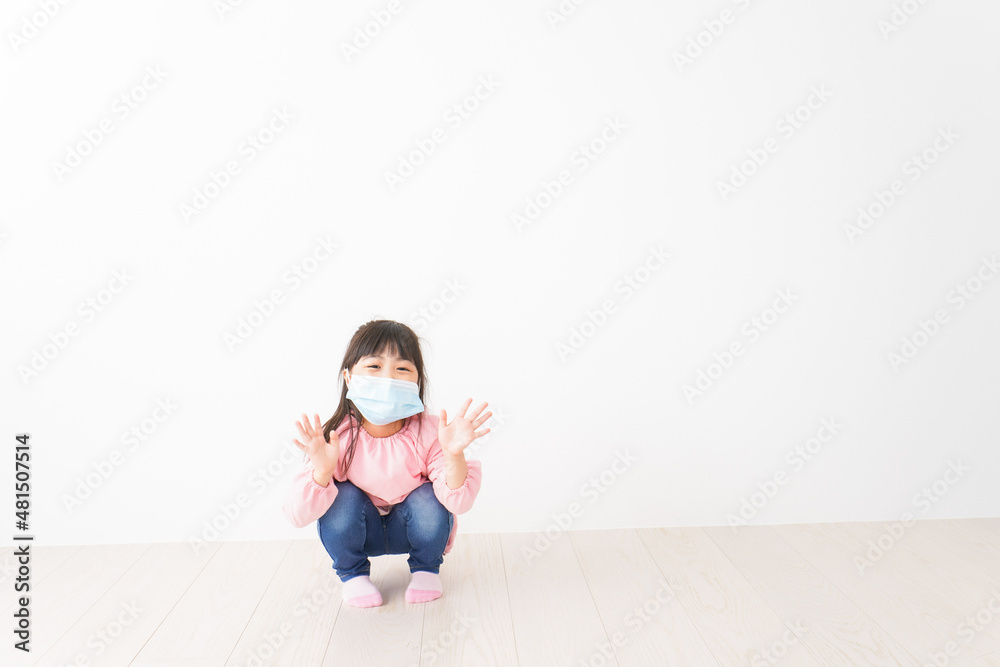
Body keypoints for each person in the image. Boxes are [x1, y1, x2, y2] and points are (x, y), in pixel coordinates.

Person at [282, 319, 489, 607]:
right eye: (374, 366)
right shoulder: (337, 438)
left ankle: (426, 570)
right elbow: (296, 516)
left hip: (412, 530)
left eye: (402, 369)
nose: (388, 379)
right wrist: (323, 471)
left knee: (430, 495)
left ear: (417, 382)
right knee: (340, 496)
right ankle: (354, 576)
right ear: (349, 377)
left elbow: (459, 503)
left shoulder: (430, 432)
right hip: (361, 531)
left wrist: (453, 455)